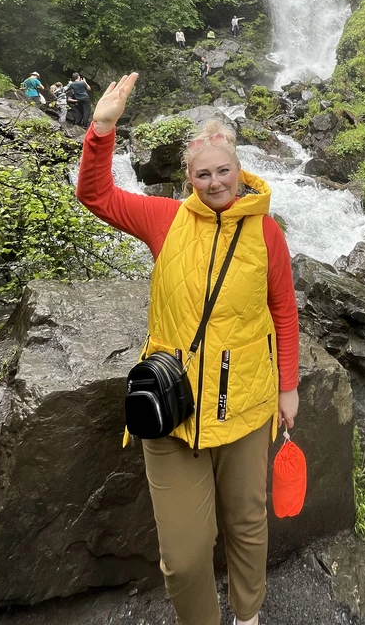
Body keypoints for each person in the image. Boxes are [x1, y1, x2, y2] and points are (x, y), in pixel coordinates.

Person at [75, 73, 299, 625]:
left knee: (248, 524)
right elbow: (95, 195)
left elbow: (284, 312)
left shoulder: (267, 233)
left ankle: (246, 616)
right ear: (189, 178)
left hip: (246, 406)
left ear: (239, 171)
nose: (216, 182)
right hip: (173, 407)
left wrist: (287, 386)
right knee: (182, 556)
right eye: (204, 173)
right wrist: (102, 128)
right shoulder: (165, 220)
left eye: (224, 171)